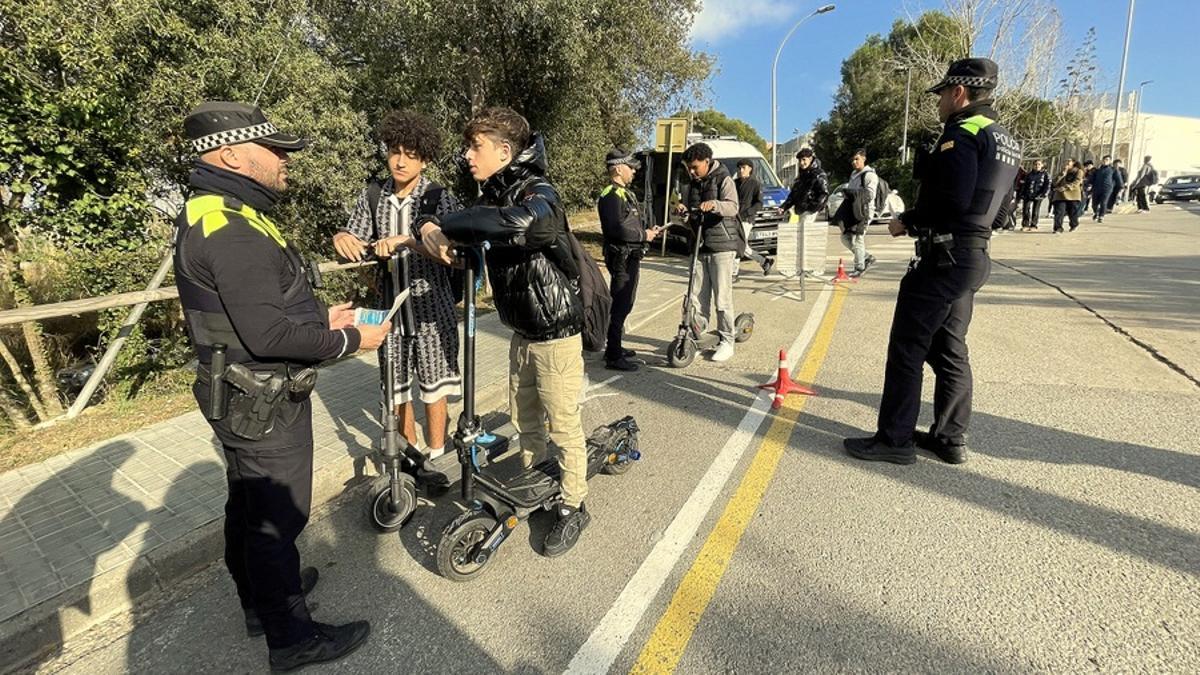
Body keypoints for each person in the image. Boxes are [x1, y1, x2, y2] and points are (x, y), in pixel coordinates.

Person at [174, 102, 386, 669]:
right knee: (276, 520)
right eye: (277, 152)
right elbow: (267, 334)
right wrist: (349, 342)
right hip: (263, 400)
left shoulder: (221, 210)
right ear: (232, 155)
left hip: (245, 395)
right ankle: (291, 637)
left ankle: (259, 601)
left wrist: (322, 320)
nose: (286, 161)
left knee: (248, 505)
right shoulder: (231, 228)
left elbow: (261, 306)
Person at [412, 107, 590, 557]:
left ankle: (573, 504)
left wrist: (446, 225)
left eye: (477, 147)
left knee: (564, 424)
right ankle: (538, 478)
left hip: (555, 334)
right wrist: (429, 225)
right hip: (522, 333)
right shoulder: (494, 193)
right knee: (526, 418)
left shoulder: (537, 191)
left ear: (505, 152)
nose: (467, 155)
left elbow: (527, 223)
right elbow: (433, 208)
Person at [843, 57, 1020, 465]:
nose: (939, 101)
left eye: (942, 93)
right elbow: (1004, 213)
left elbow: (952, 199)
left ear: (958, 92)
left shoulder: (960, 133)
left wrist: (908, 220)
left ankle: (895, 440)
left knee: (907, 347)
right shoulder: (1004, 138)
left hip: (943, 257)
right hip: (974, 255)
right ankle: (949, 438)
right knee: (949, 348)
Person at [333, 110, 463, 460]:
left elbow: (458, 255)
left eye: (411, 154)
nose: (401, 161)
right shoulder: (373, 195)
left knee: (434, 388)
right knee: (396, 389)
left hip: (432, 310)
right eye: (395, 151)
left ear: (425, 159)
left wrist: (407, 241)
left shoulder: (438, 197)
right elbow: (355, 237)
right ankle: (412, 454)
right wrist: (342, 237)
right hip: (388, 314)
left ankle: (437, 453)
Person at [674, 142, 743, 362]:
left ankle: (727, 340)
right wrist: (684, 214)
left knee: (722, 298)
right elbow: (691, 217)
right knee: (696, 297)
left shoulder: (724, 179)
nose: (692, 172)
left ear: (707, 161)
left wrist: (714, 204)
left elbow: (733, 207)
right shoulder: (692, 185)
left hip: (722, 246)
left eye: (695, 167)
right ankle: (699, 333)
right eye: (689, 168)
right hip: (699, 246)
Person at [597, 148, 660, 372]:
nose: (633, 171)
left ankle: (615, 346)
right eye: (630, 167)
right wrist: (644, 235)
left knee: (626, 302)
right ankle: (613, 355)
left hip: (630, 255)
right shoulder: (611, 195)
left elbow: (628, 224)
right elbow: (616, 229)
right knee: (621, 303)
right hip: (621, 258)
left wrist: (646, 232)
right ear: (618, 168)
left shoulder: (623, 193)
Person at [779, 148, 830, 271]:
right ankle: (804, 267)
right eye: (800, 160)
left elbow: (824, 194)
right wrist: (784, 207)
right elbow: (793, 195)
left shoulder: (818, 174)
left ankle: (813, 268)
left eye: (804, 160)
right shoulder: (801, 177)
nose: (802, 163)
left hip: (809, 211)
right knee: (802, 238)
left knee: (806, 238)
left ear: (811, 159)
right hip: (800, 210)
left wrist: (812, 208)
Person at [837, 149, 878, 276]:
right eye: (853, 160)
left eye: (857, 159)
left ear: (864, 159)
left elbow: (870, 195)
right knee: (845, 238)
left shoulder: (869, 175)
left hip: (864, 212)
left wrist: (852, 193)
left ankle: (859, 267)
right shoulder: (854, 174)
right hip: (852, 211)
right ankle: (866, 257)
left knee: (858, 238)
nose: (854, 162)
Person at [734, 159, 774, 277]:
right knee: (741, 245)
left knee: (738, 245)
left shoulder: (755, 183)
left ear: (750, 169)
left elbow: (759, 203)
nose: (741, 171)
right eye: (739, 168)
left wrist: (747, 213)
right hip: (735, 218)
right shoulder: (735, 183)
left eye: (744, 168)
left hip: (747, 219)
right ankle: (764, 261)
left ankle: (733, 272)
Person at [1051, 160, 1083, 233]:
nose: (1067, 163)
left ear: (1073, 163)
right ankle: (1058, 228)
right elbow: (1054, 183)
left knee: (1072, 212)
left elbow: (1076, 182)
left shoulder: (1078, 171)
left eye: (1069, 162)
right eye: (1065, 162)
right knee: (1059, 212)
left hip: (1072, 195)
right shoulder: (1061, 172)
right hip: (1060, 195)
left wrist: (1066, 187)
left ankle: (1074, 224)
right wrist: (1062, 174)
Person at [1020, 159, 1050, 230]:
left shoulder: (1045, 174)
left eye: (1039, 164)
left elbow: (1047, 185)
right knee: (1026, 209)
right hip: (1028, 194)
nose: (1037, 166)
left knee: (1035, 210)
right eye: (1035, 164)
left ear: (1042, 165)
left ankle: (1033, 225)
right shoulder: (1029, 174)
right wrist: (1022, 193)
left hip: (1038, 194)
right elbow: (1025, 185)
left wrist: (1044, 194)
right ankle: (1025, 225)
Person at [1090, 155, 1116, 223]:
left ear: (1110, 161)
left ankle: (1101, 216)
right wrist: (1089, 184)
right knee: (1094, 204)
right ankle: (1096, 213)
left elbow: (1118, 180)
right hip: (1096, 188)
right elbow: (1092, 179)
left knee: (1103, 203)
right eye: (1104, 159)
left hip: (1106, 189)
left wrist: (1121, 187)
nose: (1105, 161)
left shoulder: (1113, 170)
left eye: (1107, 160)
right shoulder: (1097, 170)